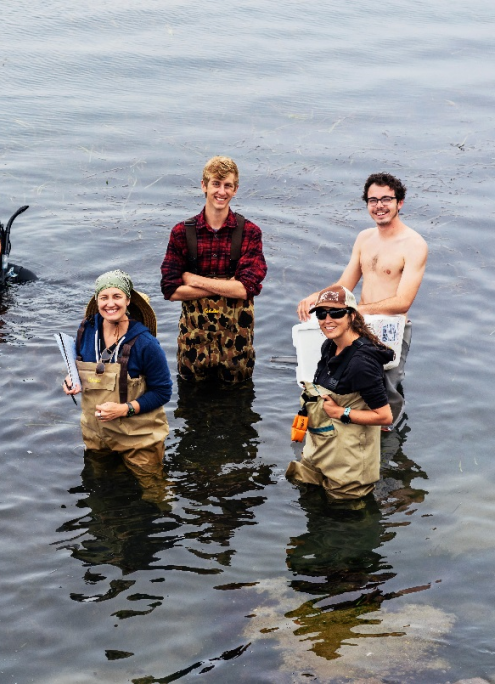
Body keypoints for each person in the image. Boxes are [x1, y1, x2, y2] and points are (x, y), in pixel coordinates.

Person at [296, 172, 428, 423]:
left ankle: (387, 441)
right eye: (373, 200)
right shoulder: (364, 238)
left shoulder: (414, 244)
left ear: (400, 203)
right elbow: (346, 284)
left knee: (386, 387)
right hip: (359, 323)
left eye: (386, 199)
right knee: (348, 380)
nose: (379, 206)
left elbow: (403, 301)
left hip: (392, 328)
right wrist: (317, 297)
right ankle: (344, 423)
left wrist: (358, 310)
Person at [160, 156, 267, 384]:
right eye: (216, 184)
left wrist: (193, 280)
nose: (221, 191)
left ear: (235, 189)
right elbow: (170, 290)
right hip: (193, 345)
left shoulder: (250, 232)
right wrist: (227, 286)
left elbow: (246, 289)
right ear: (204, 185)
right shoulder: (181, 232)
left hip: (237, 344)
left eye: (228, 185)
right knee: (190, 405)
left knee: (238, 403)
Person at [63, 270, 172, 493]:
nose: (110, 303)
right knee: (101, 490)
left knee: (155, 494)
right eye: (104, 297)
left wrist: (124, 409)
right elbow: (79, 363)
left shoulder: (146, 344)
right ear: (96, 300)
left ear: (128, 300)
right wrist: (71, 379)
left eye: (117, 296)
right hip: (97, 436)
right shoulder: (86, 330)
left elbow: (163, 392)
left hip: (139, 439)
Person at [286, 286, 394, 501]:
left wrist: (340, 412)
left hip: (349, 462)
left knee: (344, 518)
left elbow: (385, 417)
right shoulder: (330, 346)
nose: (328, 319)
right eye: (321, 313)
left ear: (352, 315)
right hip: (321, 448)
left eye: (336, 313)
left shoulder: (361, 363)